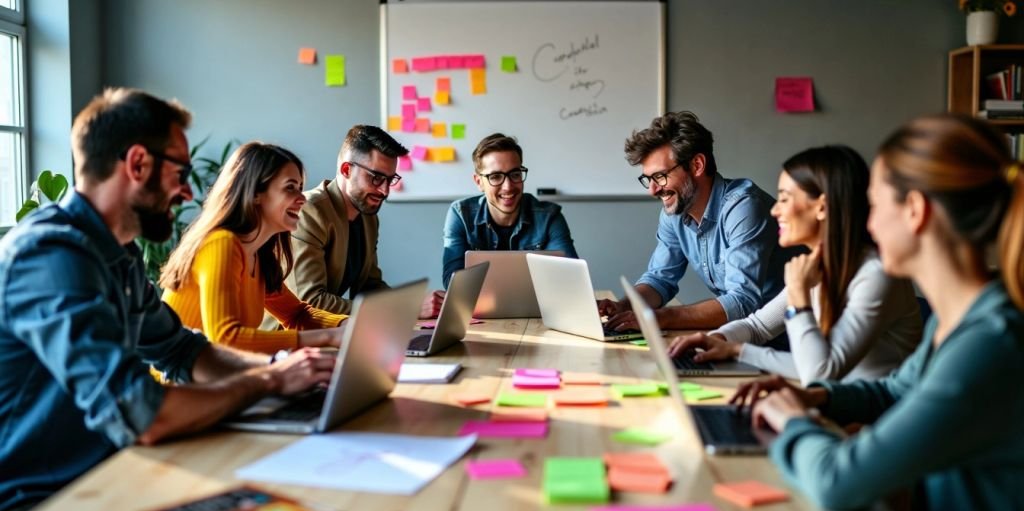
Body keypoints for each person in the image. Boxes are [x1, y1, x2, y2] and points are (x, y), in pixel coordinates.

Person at [0, 88, 335, 509]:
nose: (188, 192)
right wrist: (269, 380)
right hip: (51, 497)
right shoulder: (50, 256)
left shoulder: (118, 253)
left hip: (118, 472)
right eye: (179, 174)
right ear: (138, 164)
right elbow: (142, 412)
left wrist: (284, 369)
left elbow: (181, 350)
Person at [734, 114, 1024, 510]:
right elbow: (894, 390)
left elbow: (837, 482)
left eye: (873, 205)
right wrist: (813, 398)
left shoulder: (990, 342)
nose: (866, 222)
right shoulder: (955, 318)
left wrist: (793, 421)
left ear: (915, 211)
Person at [667, 145, 922, 385]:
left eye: (785, 199)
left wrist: (797, 300)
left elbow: (820, 371)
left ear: (821, 207)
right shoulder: (815, 266)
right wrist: (716, 340)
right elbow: (757, 327)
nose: (775, 211)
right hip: (834, 402)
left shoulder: (875, 274)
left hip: (875, 419)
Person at [600, 111, 794, 331]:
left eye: (660, 177)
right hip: (743, 335)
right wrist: (624, 307)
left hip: (787, 339)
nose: (653, 190)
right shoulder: (674, 213)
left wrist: (659, 318)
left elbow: (742, 302)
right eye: (648, 179)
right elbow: (659, 279)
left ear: (697, 165)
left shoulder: (744, 208)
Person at [161, 142, 349, 355]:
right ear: (255, 194)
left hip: (220, 378)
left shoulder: (258, 255)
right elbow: (225, 338)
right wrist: (329, 336)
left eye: (299, 187)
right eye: (290, 187)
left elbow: (296, 315)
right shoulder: (221, 244)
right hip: (178, 384)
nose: (302, 198)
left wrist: (347, 325)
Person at [275, 125, 444, 322]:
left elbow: (369, 286)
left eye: (390, 180)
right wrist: (403, 308)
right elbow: (311, 301)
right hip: (288, 339)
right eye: (376, 178)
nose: (385, 191)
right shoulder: (309, 212)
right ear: (346, 170)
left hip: (331, 332)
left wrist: (414, 302)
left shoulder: (368, 217)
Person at [441, 133, 579, 288]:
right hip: (480, 310)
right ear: (479, 182)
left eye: (515, 174)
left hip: (539, 311)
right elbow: (452, 282)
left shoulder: (549, 217)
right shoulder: (461, 215)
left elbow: (570, 278)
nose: (508, 186)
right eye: (495, 176)